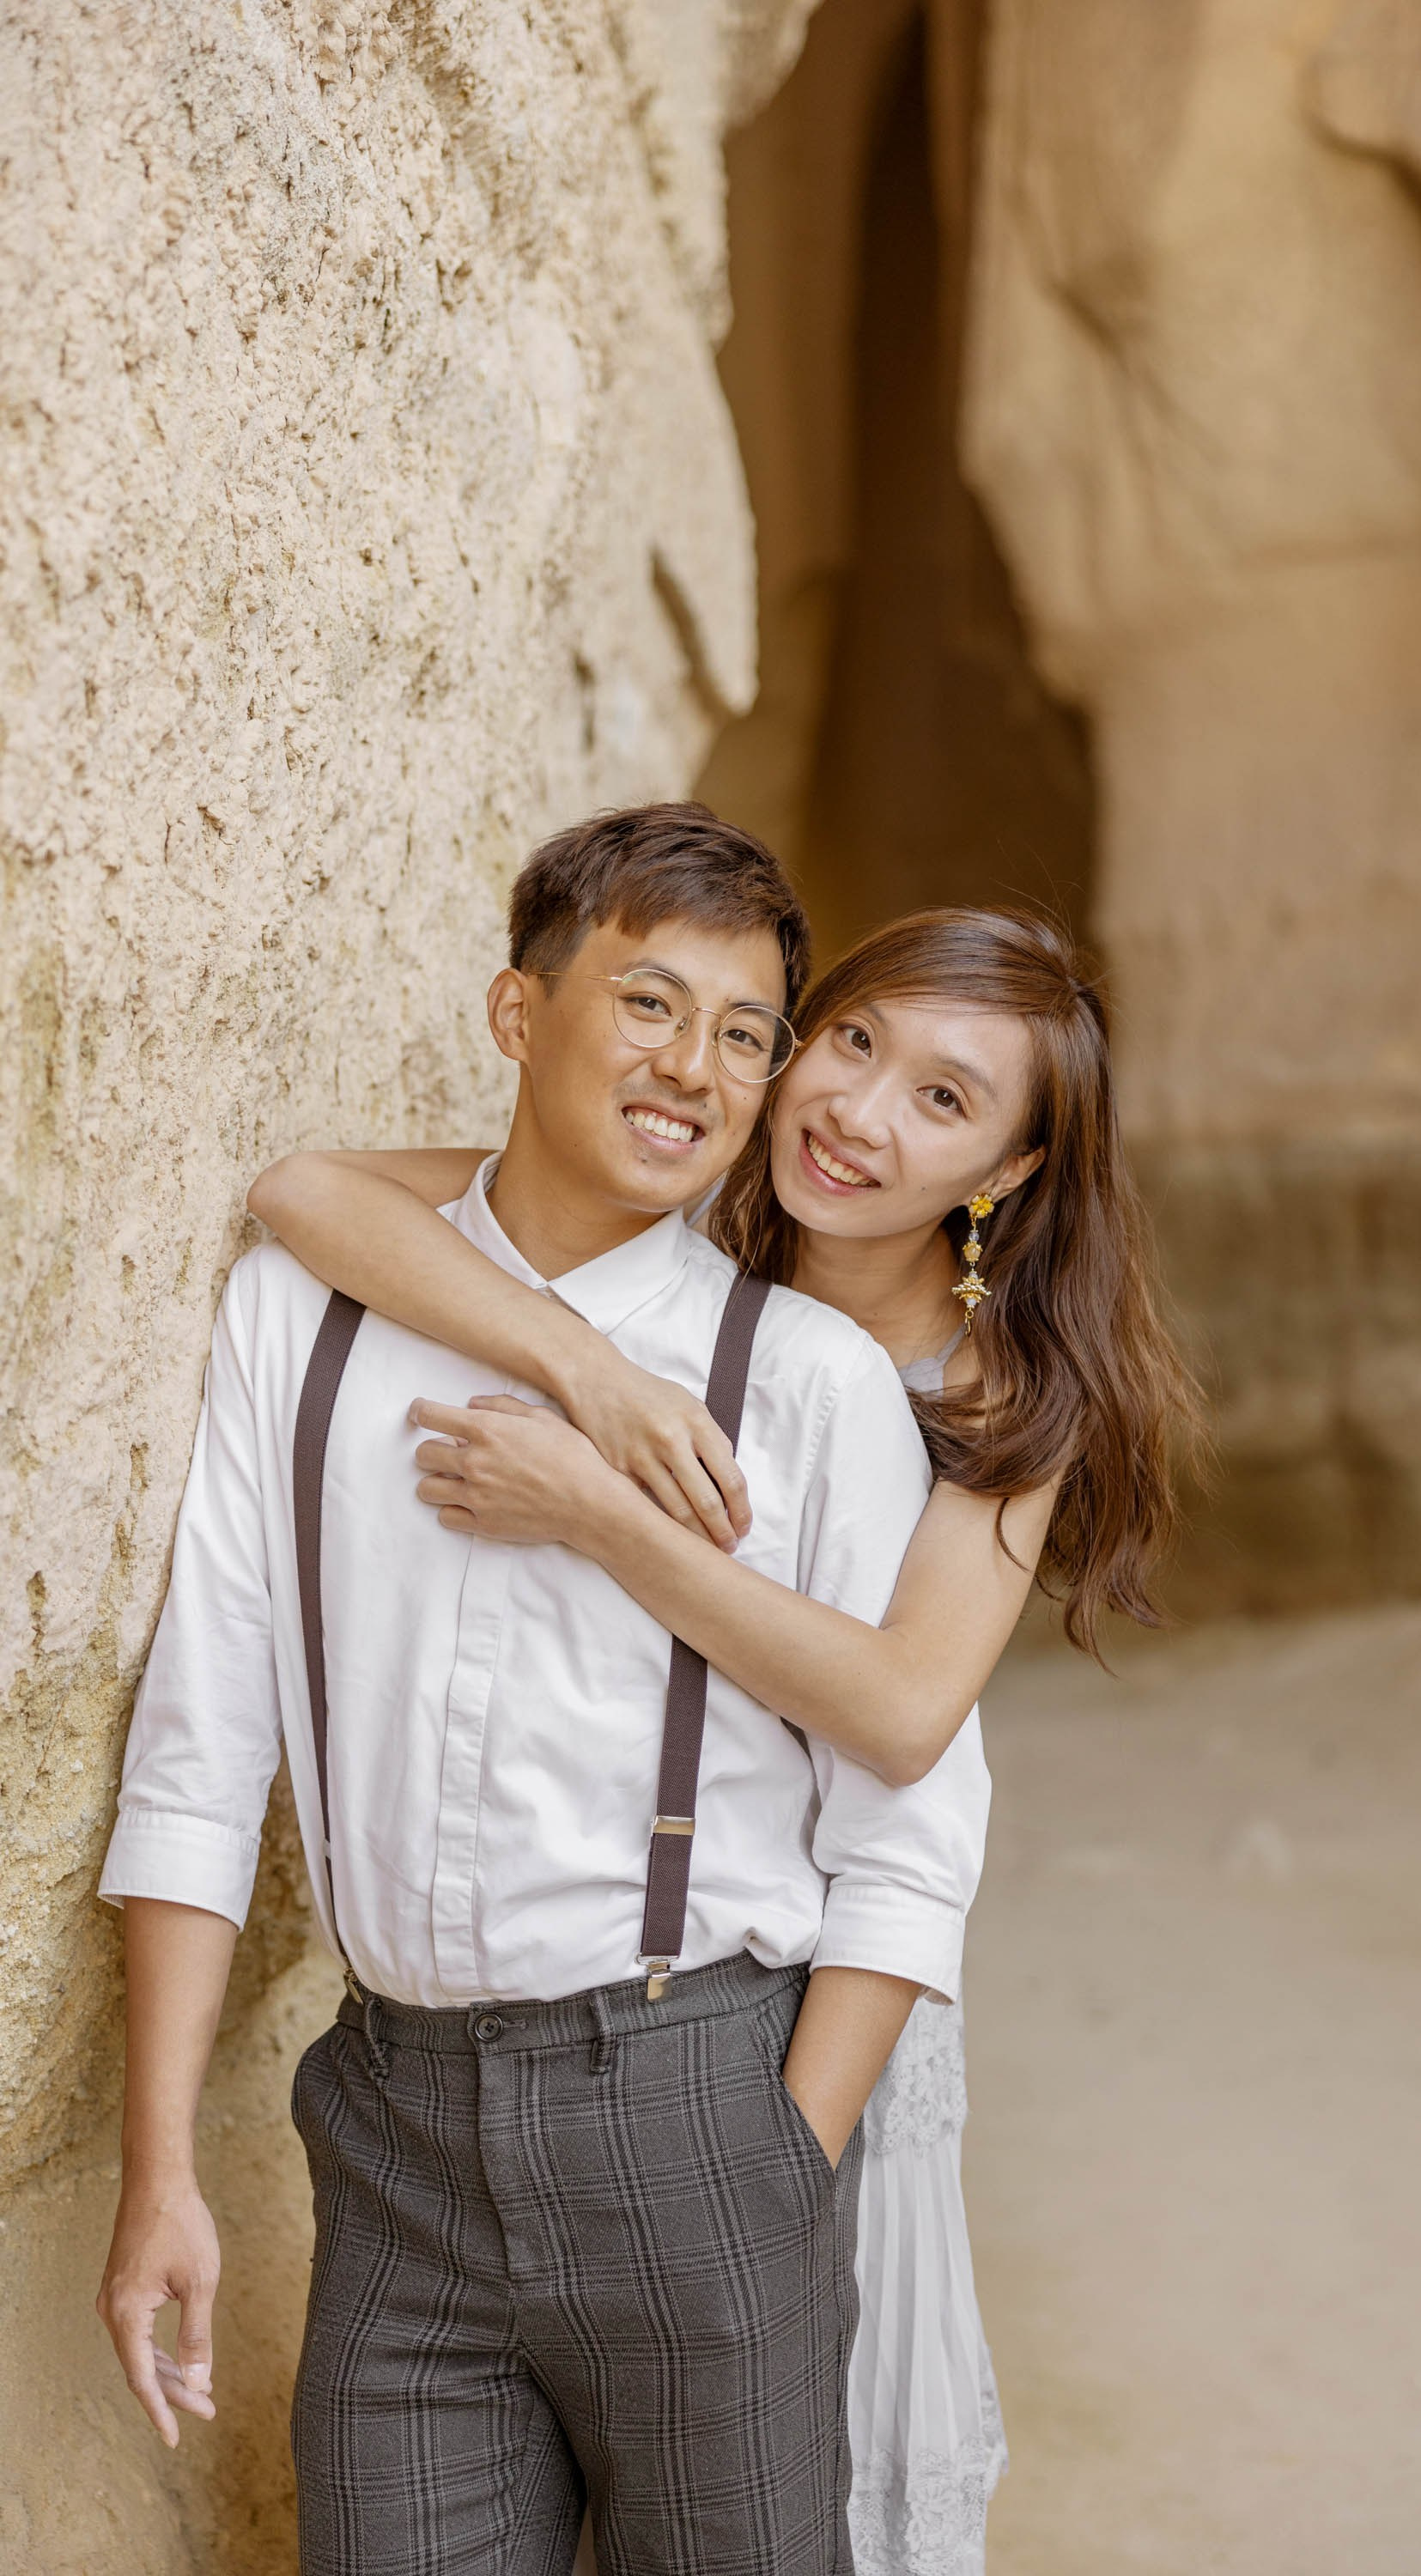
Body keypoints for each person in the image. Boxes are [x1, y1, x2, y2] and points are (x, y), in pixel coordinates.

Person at [247, 897, 1200, 2575]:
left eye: (942, 1101)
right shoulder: (663, 1238)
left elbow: (905, 1721)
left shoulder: (991, 1397)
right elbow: (305, 1193)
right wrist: (582, 1368)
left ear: (1005, 1174)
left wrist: (785, 2157)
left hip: (803, 2023)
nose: (858, 1113)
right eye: (849, 1042)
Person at [95, 804, 993, 2576]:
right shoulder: (307, 1318)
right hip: (395, 2135)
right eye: (648, 1005)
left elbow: (904, 1835)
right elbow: (201, 1755)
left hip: (695, 2102)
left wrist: (774, 2179)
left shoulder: (804, 1380)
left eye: (743, 1035)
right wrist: (156, 2170)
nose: (696, 1068)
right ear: (519, 1015)